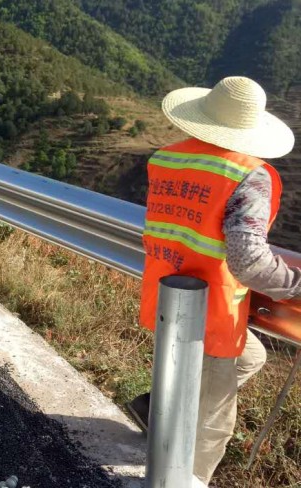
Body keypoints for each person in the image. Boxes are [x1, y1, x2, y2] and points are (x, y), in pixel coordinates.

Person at [130, 76, 299, 484]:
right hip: (210, 309)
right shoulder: (249, 175)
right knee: (211, 427)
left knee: (252, 357)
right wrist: (295, 287)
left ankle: (155, 408)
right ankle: (184, 479)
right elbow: (247, 259)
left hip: (169, 290)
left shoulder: (169, 158)